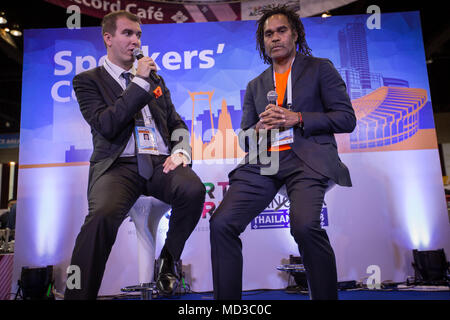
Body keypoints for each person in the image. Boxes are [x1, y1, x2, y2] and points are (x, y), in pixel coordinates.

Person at [209, 5, 356, 300]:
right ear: (262, 42)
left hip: (308, 159)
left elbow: (346, 118)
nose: (274, 38)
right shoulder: (255, 85)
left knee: (303, 226)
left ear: (295, 34)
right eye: (268, 34)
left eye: (281, 31)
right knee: (221, 223)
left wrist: (298, 118)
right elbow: (245, 139)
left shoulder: (319, 68)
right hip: (265, 161)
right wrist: (259, 131)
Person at [65, 10, 205, 300]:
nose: (135, 40)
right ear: (108, 38)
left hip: (158, 162)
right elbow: (107, 124)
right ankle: (78, 296)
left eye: (138, 34)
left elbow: (176, 122)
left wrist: (181, 150)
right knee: (101, 217)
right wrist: (139, 84)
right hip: (119, 166)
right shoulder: (88, 81)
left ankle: (168, 260)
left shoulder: (155, 79)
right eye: (128, 33)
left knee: (193, 190)